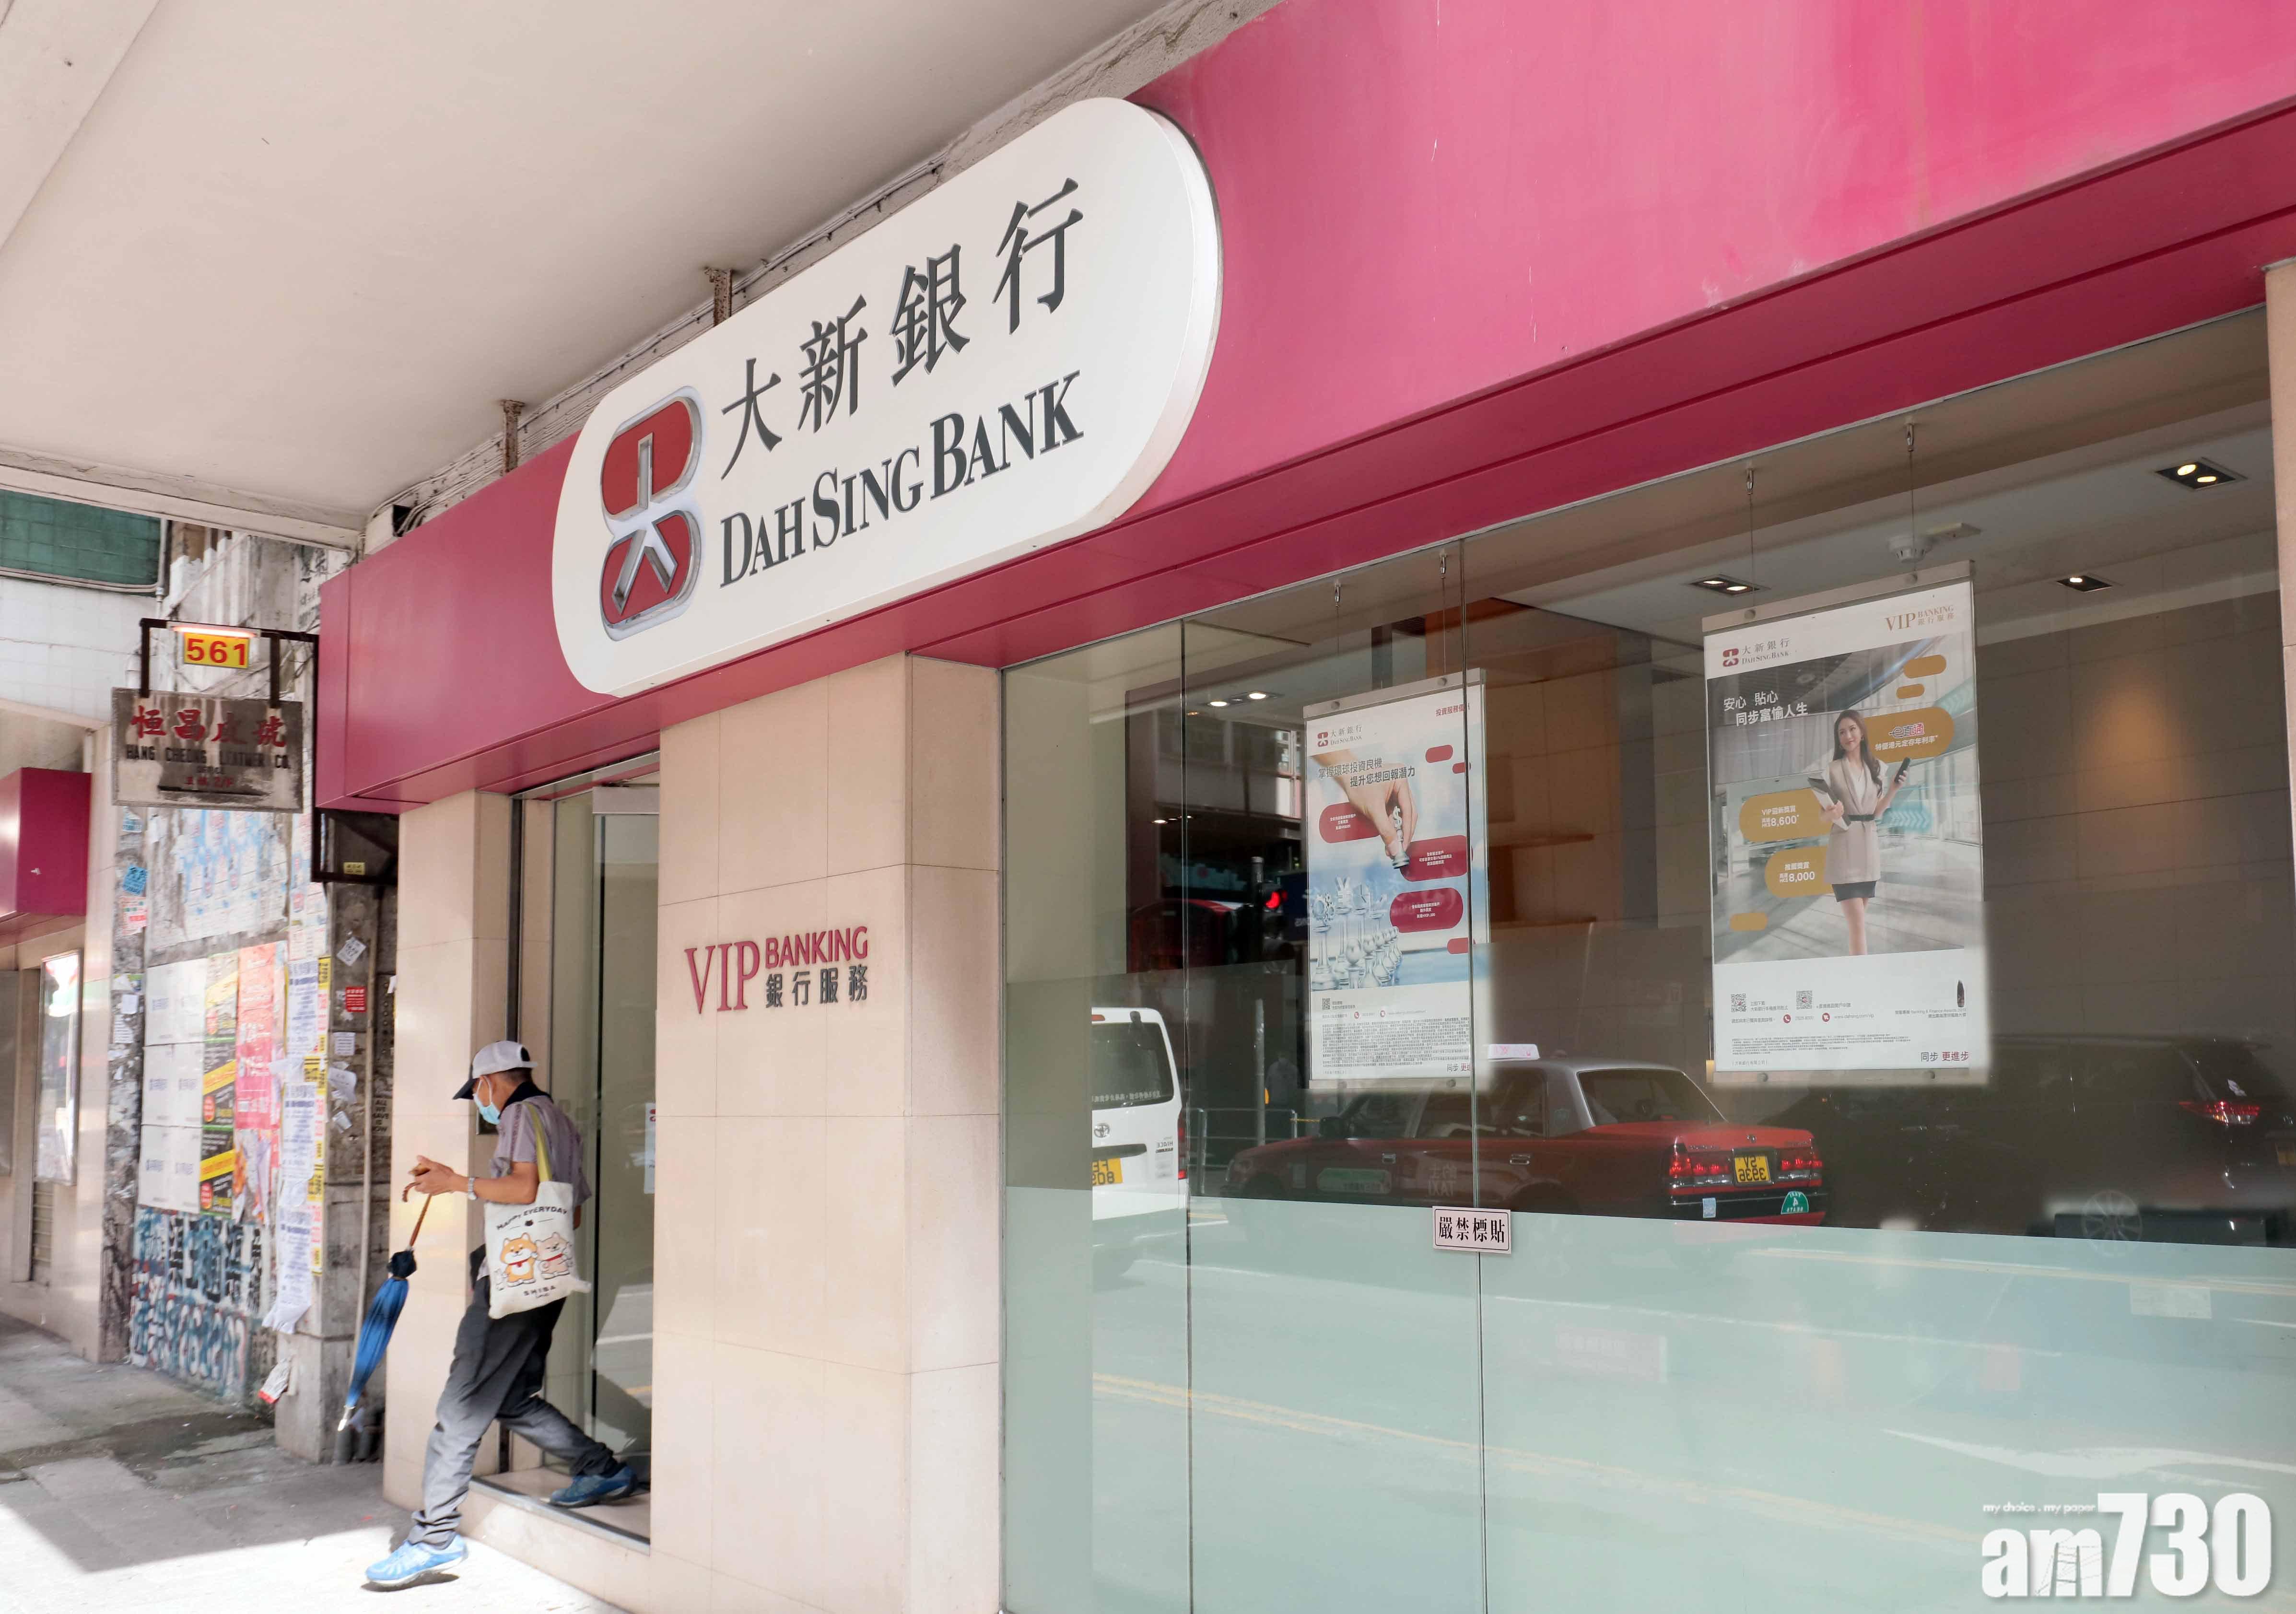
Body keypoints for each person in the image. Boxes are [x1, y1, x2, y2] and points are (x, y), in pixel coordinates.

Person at [364, 1041, 636, 1588]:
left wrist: (456, 1184)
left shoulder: (518, 1114)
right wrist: (461, 1190)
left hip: (512, 1284)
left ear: (490, 1081)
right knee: (511, 1397)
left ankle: (435, 1537)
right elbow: (569, 1212)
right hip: (547, 1276)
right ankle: (602, 1468)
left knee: (461, 1405)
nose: (480, 1104)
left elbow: (523, 1186)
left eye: (477, 1093)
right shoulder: (560, 1121)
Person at [1815, 711, 1908, 956]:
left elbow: (1875, 813)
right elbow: (1822, 816)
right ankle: (1863, 975)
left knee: (1858, 926)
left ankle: (1856, 972)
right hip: (1843, 852)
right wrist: (1832, 814)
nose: (1848, 736)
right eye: (1842, 732)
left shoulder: (1877, 768)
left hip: (1868, 851)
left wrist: (1894, 789)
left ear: (1862, 732)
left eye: (1852, 729)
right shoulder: (1832, 770)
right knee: (1858, 927)